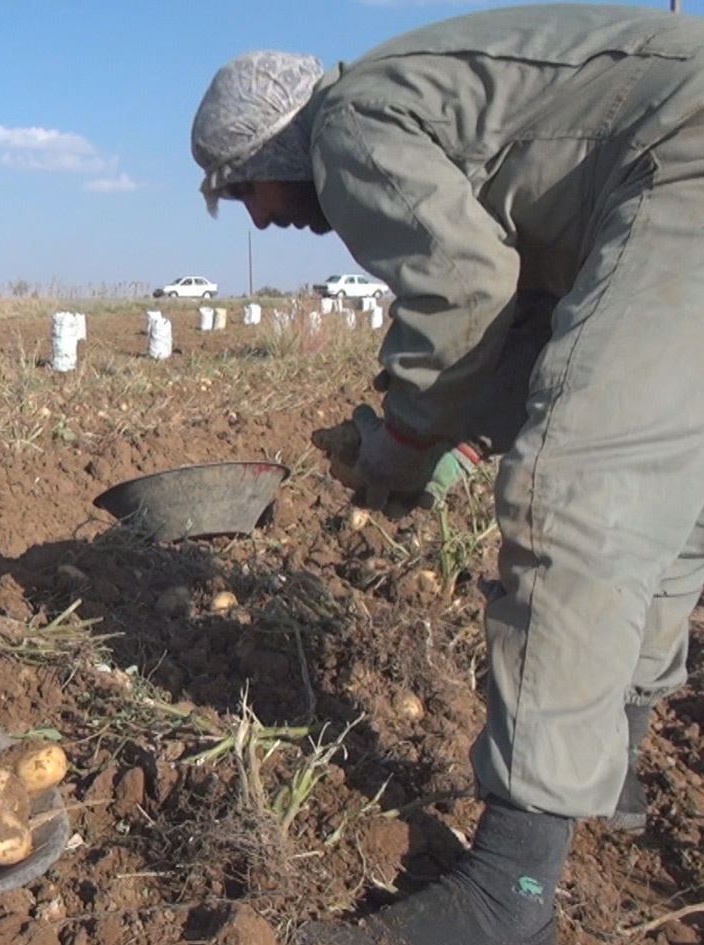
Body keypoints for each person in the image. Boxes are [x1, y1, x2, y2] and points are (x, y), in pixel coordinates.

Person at [190, 6, 704, 944]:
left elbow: (466, 286)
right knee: (674, 495)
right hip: (664, 157)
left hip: (684, 161)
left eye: (241, 189)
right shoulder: (418, 99)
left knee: (573, 490)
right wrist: (456, 437)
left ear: (272, 150)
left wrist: (403, 442)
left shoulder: (347, 125)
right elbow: (526, 314)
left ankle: (509, 892)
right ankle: (615, 757)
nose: (261, 218)